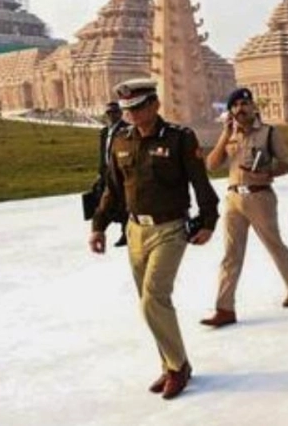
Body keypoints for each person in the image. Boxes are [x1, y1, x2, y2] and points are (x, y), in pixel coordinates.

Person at [88, 78, 220, 400]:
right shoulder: (121, 140)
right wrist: (98, 226)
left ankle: (178, 367)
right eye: (126, 109)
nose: (131, 114)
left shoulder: (179, 138)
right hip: (135, 231)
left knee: (153, 298)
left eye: (137, 107)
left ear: (154, 105)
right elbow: (113, 189)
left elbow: (200, 182)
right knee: (151, 305)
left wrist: (208, 221)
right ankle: (169, 364)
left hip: (170, 229)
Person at [200, 87, 288, 327]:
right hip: (234, 198)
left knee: (274, 245)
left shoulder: (268, 133)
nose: (240, 109)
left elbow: (287, 163)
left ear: (253, 107)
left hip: (260, 197)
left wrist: (266, 171)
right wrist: (225, 135)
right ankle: (224, 308)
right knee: (231, 254)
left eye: (245, 104)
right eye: (235, 106)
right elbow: (212, 165)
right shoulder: (229, 134)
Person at [94, 101, 130, 247]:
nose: (111, 115)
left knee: (124, 202)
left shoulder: (126, 130)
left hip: (120, 172)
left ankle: (126, 233)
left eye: (114, 112)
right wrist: (100, 173)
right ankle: (101, 228)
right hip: (106, 172)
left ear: (120, 113)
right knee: (104, 200)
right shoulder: (104, 132)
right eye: (109, 113)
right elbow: (103, 154)